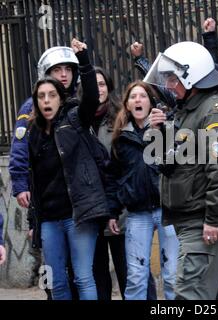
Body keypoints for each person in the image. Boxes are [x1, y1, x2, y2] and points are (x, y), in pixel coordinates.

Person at [146, 41, 218, 300]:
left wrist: (214, 218)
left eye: (172, 79)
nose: (167, 86)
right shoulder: (191, 110)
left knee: (190, 293)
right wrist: (162, 132)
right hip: (192, 215)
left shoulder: (215, 112)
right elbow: (177, 159)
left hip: (204, 218)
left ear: (192, 76)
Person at [28, 38, 108, 300]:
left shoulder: (75, 118)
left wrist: (83, 60)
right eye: (41, 96)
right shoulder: (33, 133)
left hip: (78, 215)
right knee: (56, 282)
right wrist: (33, 222)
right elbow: (34, 182)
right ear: (36, 102)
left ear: (60, 99)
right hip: (49, 220)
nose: (47, 100)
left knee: (83, 278)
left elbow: (92, 97)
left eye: (52, 95)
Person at [8, 44, 81, 299]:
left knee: (82, 273)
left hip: (75, 204)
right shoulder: (31, 106)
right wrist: (19, 183)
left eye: (68, 69)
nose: (63, 74)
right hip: (44, 205)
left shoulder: (76, 105)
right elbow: (19, 148)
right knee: (51, 272)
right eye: (56, 69)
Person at [106, 80, 179, 300]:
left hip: (168, 210)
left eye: (143, 96)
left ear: (151, 103)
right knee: (136, 277)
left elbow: (176, 165)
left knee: (173, 276)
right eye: (133, 97)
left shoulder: (166, 129)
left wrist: (162, 130)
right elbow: (114, 177)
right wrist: (112, 211)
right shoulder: (120, 138)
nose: (138, 100)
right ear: (127, 105)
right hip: (137, 213)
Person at [86, 67, 127, 300]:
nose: (98, 89)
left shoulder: (120, 117)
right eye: (94, 84)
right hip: (91, 211)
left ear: (109, 88)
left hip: (120, 208)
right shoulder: (78, 119)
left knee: (128, 274)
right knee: (97, 276)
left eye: (102, 84)